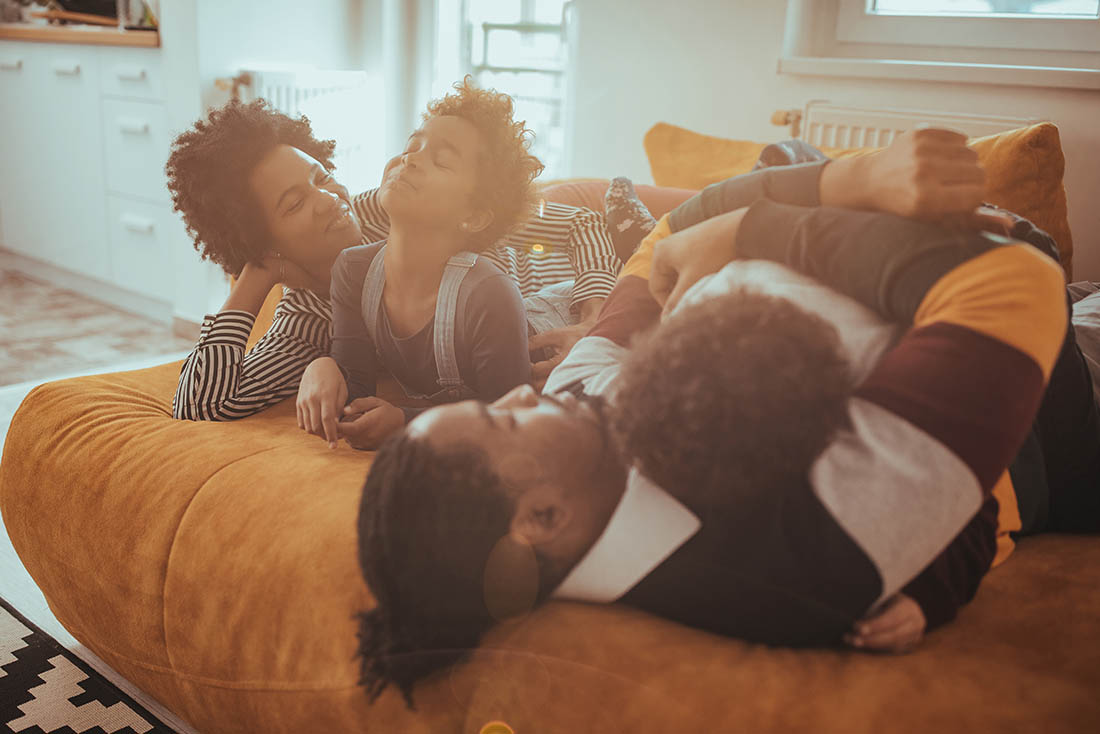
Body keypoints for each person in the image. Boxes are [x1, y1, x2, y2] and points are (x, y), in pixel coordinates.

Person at [350, 130, 1071, 707]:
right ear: (541, 520)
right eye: (504, 422)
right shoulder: (804, 549)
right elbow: (1011, 283)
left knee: (787, 163)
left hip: (914, 260)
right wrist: (753, 229)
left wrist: (850, 183)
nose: (519, 395)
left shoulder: (579, 414)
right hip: (1063, 404)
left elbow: (659, 241)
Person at [167, 92, 620, 422]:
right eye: (294, 204)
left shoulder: (390, 206)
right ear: (264, 242)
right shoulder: (306, 321)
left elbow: (580, 222)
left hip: (569, 280)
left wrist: (591, 321)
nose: (329, 200)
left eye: (321, 177)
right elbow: (201, 402)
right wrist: (256, 275)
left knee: (621, 211)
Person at [294, 79, 544, 449]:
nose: (410, 158)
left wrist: (407, 423)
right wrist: (321, 367)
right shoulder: (353, 270)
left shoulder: (488, 295)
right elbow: (355, 391)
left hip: (550, 328)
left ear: (474, 216)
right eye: (412, 146)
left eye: (441, 160)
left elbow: (509, 419)